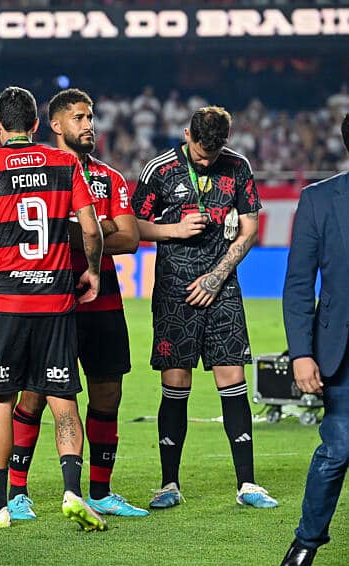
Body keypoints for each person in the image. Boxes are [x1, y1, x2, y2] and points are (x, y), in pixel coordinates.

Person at [0, 86, 106, 530]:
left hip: (5, 303)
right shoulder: (65, 163)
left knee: (0, 402)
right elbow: (91, 230)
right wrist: (92, 271)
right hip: (55, 300)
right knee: (63, 401)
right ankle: (74, 493)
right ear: (37, 125)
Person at [4, 88, 146, 521]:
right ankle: (17, 492)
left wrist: (82, 230)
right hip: (51, 300)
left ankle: (100, 492)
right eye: (80, 118)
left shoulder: (110, 178)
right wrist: (94, 231)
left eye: (91, 117)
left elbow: (130, 237)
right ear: (56, 125)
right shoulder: (42, 172)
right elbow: (32, 235)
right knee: (33, 394)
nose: (89, 125)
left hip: (103, 302)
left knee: (109, 393)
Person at [131, 106, 277, 510]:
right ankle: (169, 484)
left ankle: (248, 484)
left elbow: (250, 229)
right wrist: (173, 229)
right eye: (199, 153)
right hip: (175, 292)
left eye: (213, 155)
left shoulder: (238, 167)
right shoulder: (159, 169)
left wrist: (217, 276)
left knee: (232, 379)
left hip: (222, 288)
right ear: (186, 134)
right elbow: (130, 226)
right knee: (176, 384)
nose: (205, 160)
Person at [280, 113, 349, 566]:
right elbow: (299, 285)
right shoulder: (320, 200)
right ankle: (306, 544)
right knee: (339, 448)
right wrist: (302, 354)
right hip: (340, 353)